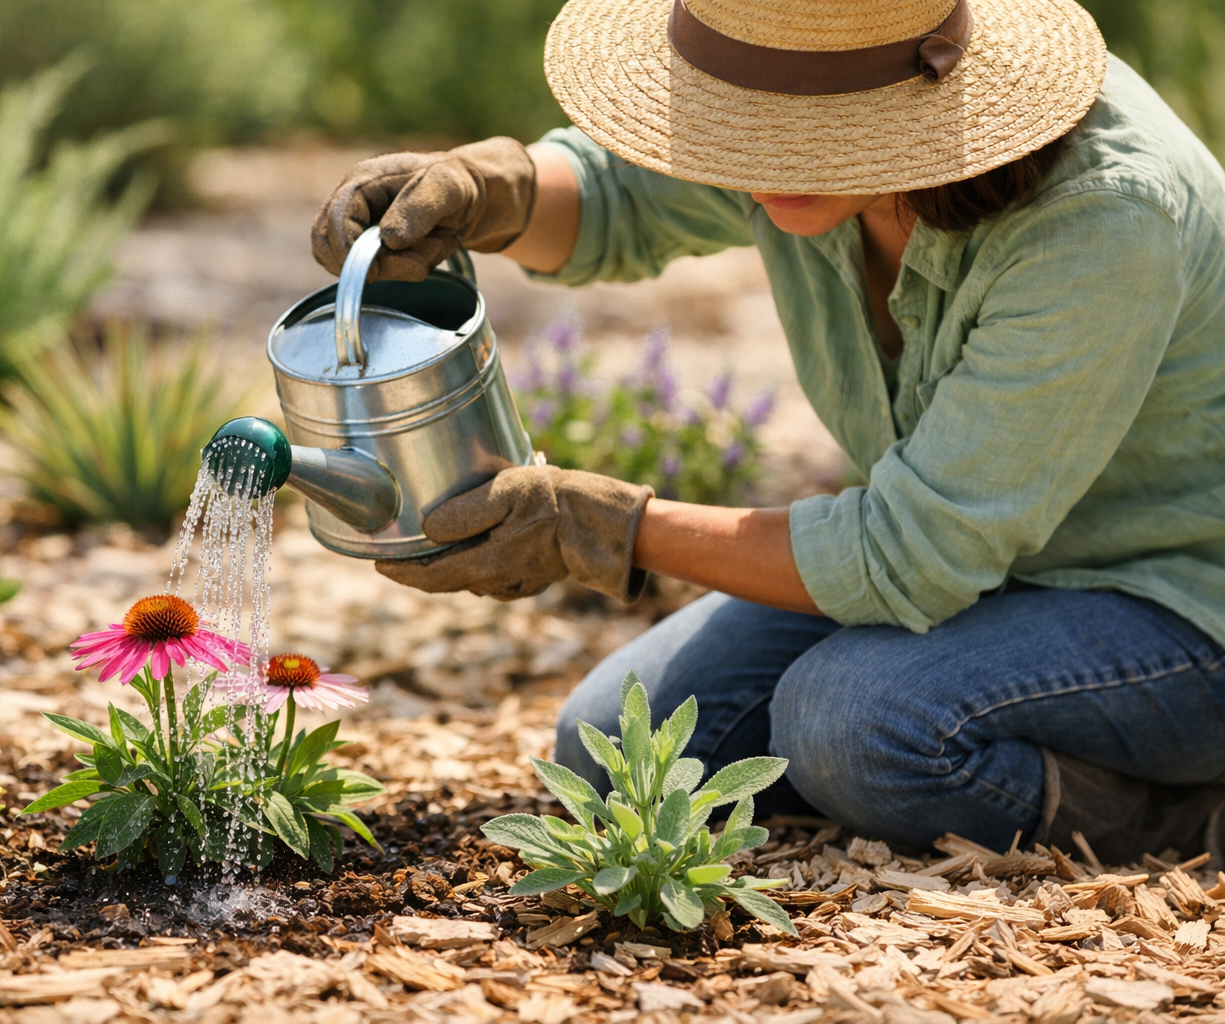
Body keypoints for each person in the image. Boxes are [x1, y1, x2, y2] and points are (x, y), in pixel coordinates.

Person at [310, 0, 1225, 866]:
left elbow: (914, 552)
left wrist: (593, 525)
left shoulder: (1102, 214)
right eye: (737, 123)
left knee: (855, 726)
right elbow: (612, 199)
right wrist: (481, 191)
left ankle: (1180, 811)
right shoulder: (789, 118)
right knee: (611, 753)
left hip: (1172, 605)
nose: (760, 161)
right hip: (981, 564)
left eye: (807, 134)